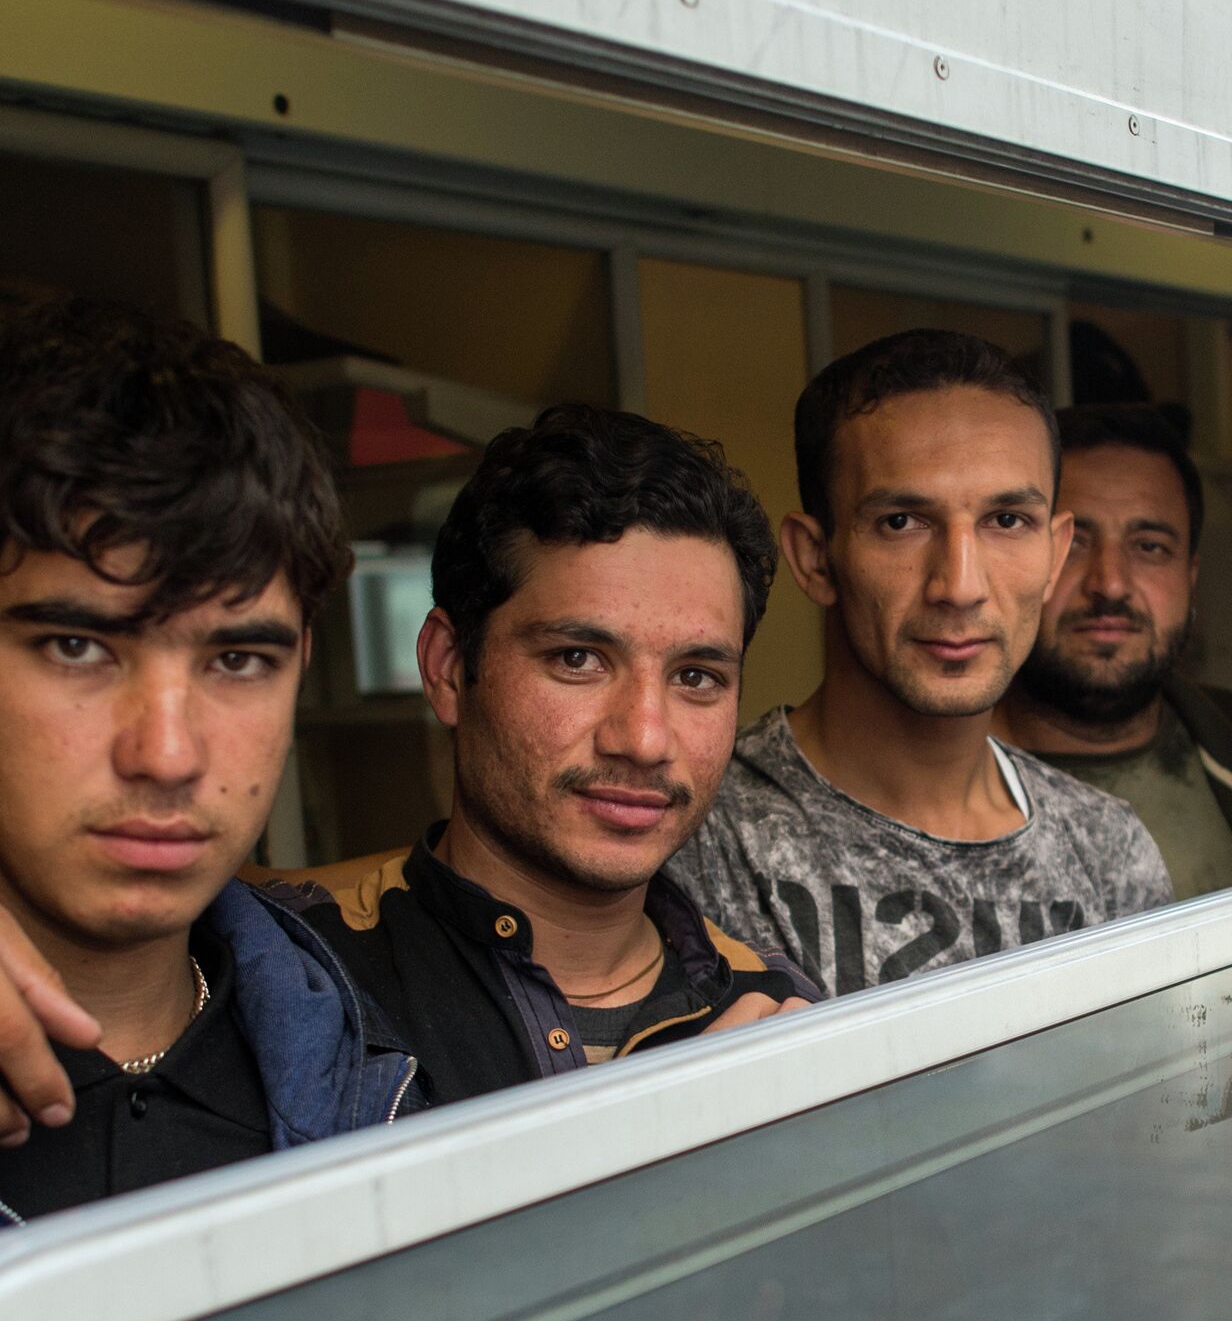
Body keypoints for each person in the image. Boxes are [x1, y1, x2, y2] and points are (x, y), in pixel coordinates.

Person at [0, 296, 422, 1224]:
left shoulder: (397, 1070)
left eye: (237, 660)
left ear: (299, 665)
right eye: (78, 646)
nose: (167, 754)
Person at [258, 404, 819, 1102]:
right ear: (447, 668)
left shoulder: (781, 1017)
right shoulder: (290, 981)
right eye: (578, 658)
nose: (645, 740)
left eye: (696, 677)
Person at [670, 330, 1172, 996]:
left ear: (1054, 554)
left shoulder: (1107, 848)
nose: (960, 585)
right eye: (902, 522)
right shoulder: (699, 833)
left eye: (1007, 520)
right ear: (815, 559)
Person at [997, 402, 1232, 896]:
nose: (1110, 584)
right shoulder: (922, 778)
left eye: (1149, 547)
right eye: (1074, 543)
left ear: (1191, 577)